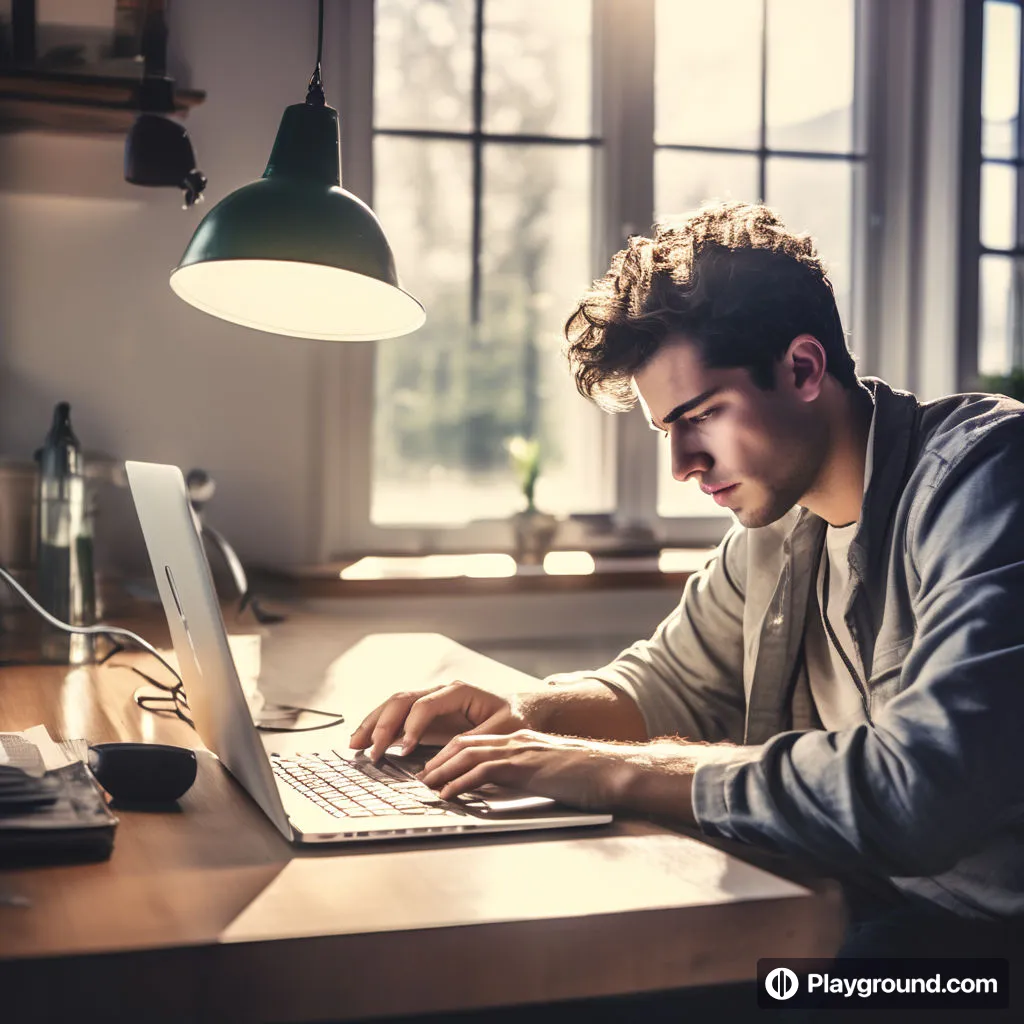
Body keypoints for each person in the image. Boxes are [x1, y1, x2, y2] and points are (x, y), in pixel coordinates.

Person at [349, 200, 1024, 963]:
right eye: (668, 431)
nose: (682, 467)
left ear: (803, 369)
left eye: (702, 416)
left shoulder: (984, 475)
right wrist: (519, 711)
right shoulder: (775, 523)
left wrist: (607, 772)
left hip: (981, 945)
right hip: (854, 896)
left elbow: (918, 792)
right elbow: (664, 685)